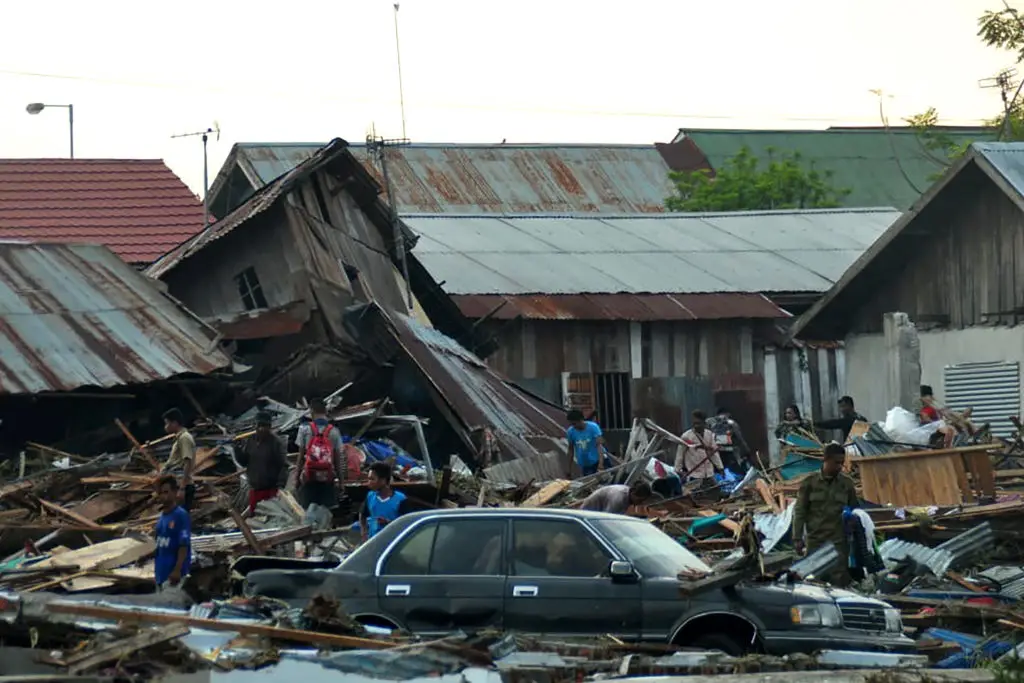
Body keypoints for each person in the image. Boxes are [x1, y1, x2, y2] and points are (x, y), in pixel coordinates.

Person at [792, 442, 858, 586]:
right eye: (836, 463)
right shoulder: (810, 483)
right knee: (814, 580)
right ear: (825, 460)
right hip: (815, 540)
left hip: (838, 542)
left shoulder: (846, 484)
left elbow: (855, 510)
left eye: (842, 463)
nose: (840, 467)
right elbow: (800, 510)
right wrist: (797, 537)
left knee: (838, 582)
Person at [296, 399, 345, 510]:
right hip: (327, 479)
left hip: (308, 478)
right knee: (326, 512)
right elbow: (337, 460)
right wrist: (341, 482)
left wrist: (296, 479)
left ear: (311, 411)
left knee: (308, 512)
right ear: (326, 411)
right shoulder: (334, 431)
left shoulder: (304, 429)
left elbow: (300, 457)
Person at [237, 411, 288, 516]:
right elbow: (244, 462)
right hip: (255, 489)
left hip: (271, 490)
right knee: (254, 517)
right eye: (259, 425)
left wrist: (280, 486)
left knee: (269, 518)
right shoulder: (250, 440)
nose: (261, 429)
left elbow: (283, 465)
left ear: (270, 427)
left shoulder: (276, 443)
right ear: (255, 426)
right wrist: (236, 450)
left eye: (265, 426)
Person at [154, 475, 191, 590]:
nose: (163, 496)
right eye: (160, 493)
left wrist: (177, 570)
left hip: (173, 575)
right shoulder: (162, 518)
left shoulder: (180, 515)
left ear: (174, 492)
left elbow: (184, 545)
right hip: (160, 573)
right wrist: (145, 557)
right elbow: (160, 544)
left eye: (166, 492)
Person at [359, 462, 413, 542]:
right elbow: (362, 515)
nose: (368, 482)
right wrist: (364, 533)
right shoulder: (370, 496)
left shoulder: (401, 500)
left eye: (372, 479)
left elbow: (408, 524)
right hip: (373, 542)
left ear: (383, 480)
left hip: (393, 543)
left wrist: (389, 523)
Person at [675, 410, 724, 484]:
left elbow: (714, 453)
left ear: (704, 423)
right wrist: (678, 471)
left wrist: (720, 467)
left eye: (698, 423)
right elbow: (680, 455)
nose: (696, 426)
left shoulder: (709, 434)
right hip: (694, 474)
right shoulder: (686, 436)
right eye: (694, 423)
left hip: (709, 473)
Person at [161, 408, 196, 511]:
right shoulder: (179, 438)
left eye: (167, 423)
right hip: (177, 484)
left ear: (175, 423)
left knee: (180, 515)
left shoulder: (184, 438)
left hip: (183, 484)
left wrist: (182, 488)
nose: (165, 427)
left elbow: (188, 462)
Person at [706, 407, 750, 473]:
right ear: (728, 414)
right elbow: (739, 438)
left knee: (717, 470)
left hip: (715, 452)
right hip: (729, 452)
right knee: (735, 471)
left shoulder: (710, 422)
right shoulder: (731, 423)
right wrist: (747, 450)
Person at [566, 409, 607, 477]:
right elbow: (570, 450)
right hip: (585, 464)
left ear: (581, 420)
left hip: (597, 460)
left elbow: (599, 446)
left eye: (574, 424)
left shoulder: (593, 427)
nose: (574, 426)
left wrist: (600, 465)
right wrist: (569, 469)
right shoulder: (570, 432)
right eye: (571, 424)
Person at [580, 482, 653, 515]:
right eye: (640, 500)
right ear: (633, 493)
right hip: (589, 511)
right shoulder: (619, 499)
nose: (640, 503)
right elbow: (606, 519)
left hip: (599, 510)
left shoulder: (627, 495)